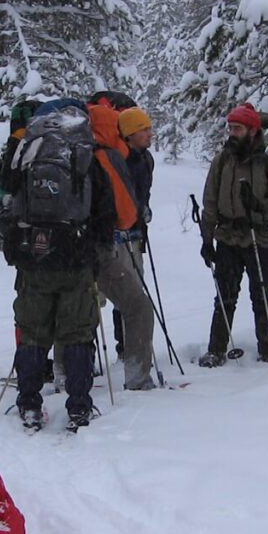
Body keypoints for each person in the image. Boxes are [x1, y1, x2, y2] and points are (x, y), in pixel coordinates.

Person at [0, 98, 115, 431]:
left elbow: (4, 205)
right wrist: (95, 249)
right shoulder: (86, 156)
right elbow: (106, 214)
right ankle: (79, 406)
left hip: (34, 259)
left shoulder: (25, 154)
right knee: (78, 334)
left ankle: (30, 404)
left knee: (33, 334)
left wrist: (20, 243)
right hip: (75, 258)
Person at [198, 103, 268, 365]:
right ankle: (216, 349)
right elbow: (210, 200)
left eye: (238, 128)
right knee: (224, 297)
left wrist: (259, 207)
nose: (232, 132)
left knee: (261, 296)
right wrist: (206, 238)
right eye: (231, 127)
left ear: (252, 130)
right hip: (227, 237)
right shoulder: (223, 159)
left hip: (258, 237)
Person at [87, 98, 156, 390]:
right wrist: (132, 217)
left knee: (82, 305)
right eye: (144, 130)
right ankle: (137, 375)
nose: (149, 135)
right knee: (134, 304)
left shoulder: (77, 153)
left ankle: (71, 372)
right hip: (104, 244)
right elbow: (125, 210)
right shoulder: (111, 157)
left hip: (75, 247)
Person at [112, 106, 155, 360]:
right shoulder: (119, 158)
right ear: (129, 134)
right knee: (122, 292)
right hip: (117, 234)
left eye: (148, 128)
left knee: (133, 289)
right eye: (143, 130)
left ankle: (128, 347)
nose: (150, 134)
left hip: (136, 234)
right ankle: (124, 347)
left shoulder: (146, 159)